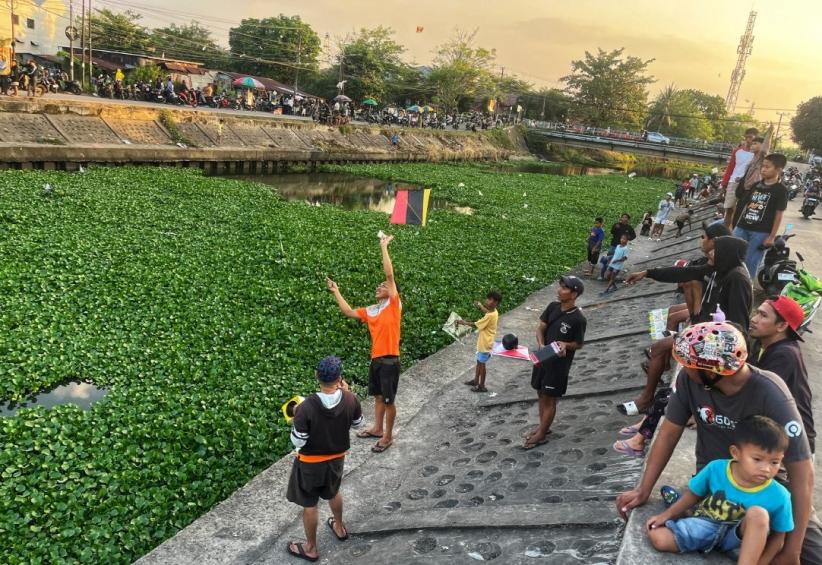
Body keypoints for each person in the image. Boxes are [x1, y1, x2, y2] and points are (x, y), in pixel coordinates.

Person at [616, 322, 819, 565]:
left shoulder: (770, 392)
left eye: (688, 364)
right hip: (717, 486)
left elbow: (802, 471)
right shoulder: (690, 382)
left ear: (711, 371)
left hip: (766, 486)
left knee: (813, 554)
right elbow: (669, 433)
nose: (685, 369)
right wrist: (644, 489)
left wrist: (792, 551)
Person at [618, 235, 750, 416]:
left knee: (658, 347)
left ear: (726, 253)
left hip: (714, 342)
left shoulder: (737, 279)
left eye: (715, 250)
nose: (709, 253)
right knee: (661, 347)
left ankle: (646, 400)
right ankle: (654, 388)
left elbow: (740, 323)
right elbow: (682, 273)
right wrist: (648, 273)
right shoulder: (718, 268)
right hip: (703, 331)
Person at [646, 415, 793, 562]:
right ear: (736, 453)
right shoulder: (716, 468)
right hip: (706, 524)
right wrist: (667, 515)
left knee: (758, 514)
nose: (766, 469)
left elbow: (779, 538)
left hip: (738, 541)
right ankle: (686, 512)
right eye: (757, 459)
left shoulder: (780, 496)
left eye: (775, 462)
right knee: (658, 538)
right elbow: (693, 494)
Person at [326, 234, 401, 454]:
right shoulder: (371, 310)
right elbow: (349, 311)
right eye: (378, 286)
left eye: (383, 286)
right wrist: (336, 291)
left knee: (388, 401)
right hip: (376, 360)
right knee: (378, 397)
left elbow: (389, 274)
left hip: (389, 361)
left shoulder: (394, 304)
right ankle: (377, 428)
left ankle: (387, 436)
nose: (380, 286)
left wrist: (383, 246)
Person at [286, 356, 363, 563]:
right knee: (333, 491)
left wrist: (295, 416)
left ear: (317, 375)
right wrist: (347, 392)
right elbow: (357, 424)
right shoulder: (350, 399)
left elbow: (298, 441)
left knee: (310, 504)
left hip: (310, 464)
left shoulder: (306, 407)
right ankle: (339, 526)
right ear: (339, 378)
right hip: (337, 460)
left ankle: (311, 548)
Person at [525, 275, 587, 449]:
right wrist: (541, 345)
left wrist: (565, 344)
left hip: (558, 366)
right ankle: (543, 426)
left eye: (564, 288)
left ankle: (542, 434)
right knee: (539, 392)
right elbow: (540, 328)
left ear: (574, 294)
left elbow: (579, 344)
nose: (559, 290)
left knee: (549, 398)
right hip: (542, 358)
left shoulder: (578, 319)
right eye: (560, 286)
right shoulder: (552, 307)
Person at [749, 296, 815, 454]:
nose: (754, 319)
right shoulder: (761, 343)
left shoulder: (785, 354)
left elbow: (755, 396)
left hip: (793, 444)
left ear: (782, 326)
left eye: (763, 316)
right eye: (757, 313)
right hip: (771, 433)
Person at [733, 153, 789, 279]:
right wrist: (735, 225)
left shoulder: (781, 190)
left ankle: (747, 289)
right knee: (732, 256)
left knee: (751, 262)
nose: (763, 169)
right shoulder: (755, 185)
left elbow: (779, 214)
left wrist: (771, 237)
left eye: (767, 167)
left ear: (779, 170)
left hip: (761, 233)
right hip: (742, 227)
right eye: (762, 166)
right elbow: (744, 205)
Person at [459, 291, 502, 393]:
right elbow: (486, 311)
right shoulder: (493, 312)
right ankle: (475, 380)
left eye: (492, 300)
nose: (489, 301)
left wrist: (464, 322)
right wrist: (480, 306)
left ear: (496, 303)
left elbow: (476, 325)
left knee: (482, 364)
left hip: (486, 344)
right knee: (479, 362)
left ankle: (482, 386)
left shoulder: (490, 316)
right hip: (484, 341)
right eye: (488, 299)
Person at [721, 127, 759, 228]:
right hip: (733, 181)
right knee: (729, 208)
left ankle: (734, 231)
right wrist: (724, 183)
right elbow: (731, 167)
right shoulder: (737, 151)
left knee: (741, 210)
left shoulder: (757, 154)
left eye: (752, 138)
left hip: (747, 185)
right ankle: (724, 231)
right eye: (747, 137)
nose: (749, 140)